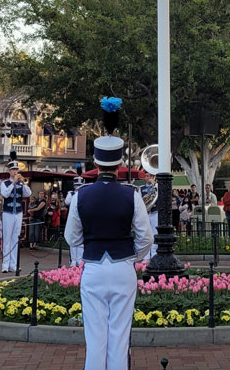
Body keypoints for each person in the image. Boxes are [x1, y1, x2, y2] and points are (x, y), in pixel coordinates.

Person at [64, 121, 153, 370]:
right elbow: (146, 237)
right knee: (119, 337)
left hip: (93, 267)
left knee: (95, 338)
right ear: (119, 165)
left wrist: (90, 245)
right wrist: (133, 257)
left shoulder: (81, 195)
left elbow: (72, 238)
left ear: (96, 163)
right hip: (123, 266)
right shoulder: (132, 195)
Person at [0, 157, 31, 273]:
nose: (15, 172)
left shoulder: (21, 184)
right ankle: (5, 265)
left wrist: (23, 182)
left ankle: (14, 264)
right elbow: (5, 194)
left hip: (18, 213)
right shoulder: (5, 183)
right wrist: (13, 183)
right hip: (7, 213)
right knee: (7, 239)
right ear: (9, 171)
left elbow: (28, 193)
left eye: (16, 170)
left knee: (15, 239)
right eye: (13, 170)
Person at [64, 176, 86, 266]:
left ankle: (79, 259)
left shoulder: (85, 194)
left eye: (80, 185)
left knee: (81, 240)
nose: (78, 187)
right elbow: (67, 202)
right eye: (77, 185)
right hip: (72, 219)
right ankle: (73, 260)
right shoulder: (71, 193)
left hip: (82, 218)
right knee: (73, 240)